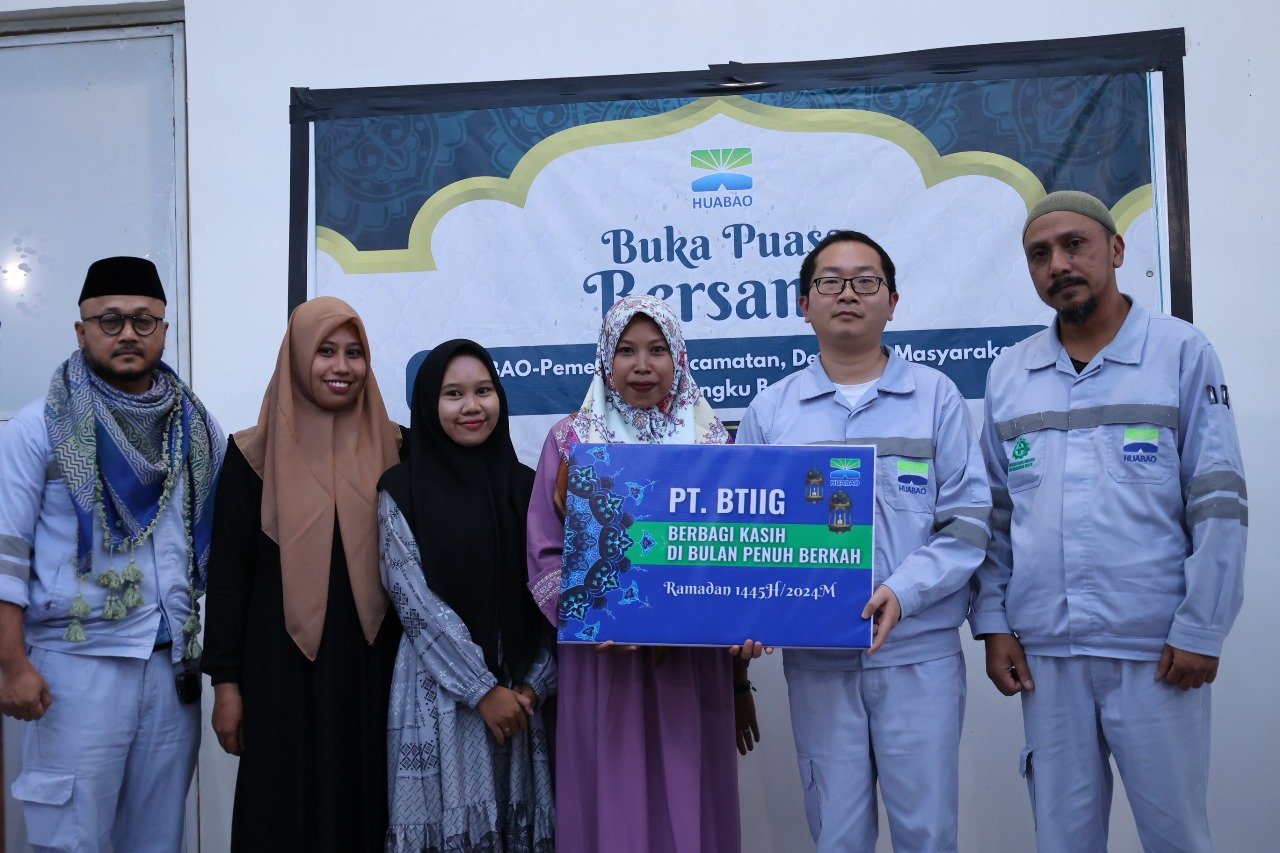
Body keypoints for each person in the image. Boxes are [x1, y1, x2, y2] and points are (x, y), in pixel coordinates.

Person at [971, 191, 1247, 852]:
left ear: (1116, 250)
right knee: (1062, 838)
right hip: (1047, 653)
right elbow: (996, 513)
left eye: (1075, 245)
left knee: (1176, 835)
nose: (1059, 265)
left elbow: (1218, 499)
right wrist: (994, 623)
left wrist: (1203, 625)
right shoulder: (1011, 373)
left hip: (1156, 650)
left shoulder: (1180, 352)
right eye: (1040, 254)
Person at [734, 231, 991, 852]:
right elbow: (746, 537)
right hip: (817, 659)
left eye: (866, 280)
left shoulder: (936, 398)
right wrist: (749, 614)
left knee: (927, 834)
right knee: (837, 835)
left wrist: (902, 591)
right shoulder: (771, 411)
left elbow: (967, 523)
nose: (847, 293)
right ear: (804, 304)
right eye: (829, 281)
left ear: (892, 301)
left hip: (918, 654)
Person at [0, 256, 224, 852]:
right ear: (81, 331)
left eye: (144, 321)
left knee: (157, 839)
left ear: (164, 331)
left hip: (170, 668)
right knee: (70, 837)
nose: (128, 333)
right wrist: (12, 665)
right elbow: (6, 554)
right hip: (75, 667)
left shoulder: (197, 431)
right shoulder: (38, 429)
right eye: (110, 320)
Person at [527, 295, 750, 853]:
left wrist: (744, 621)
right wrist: (593, 618)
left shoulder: (711, 442)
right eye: (626, 351)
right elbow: (545, 554)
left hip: (692, 665)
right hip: (604, 662)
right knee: (613, 799)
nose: (642, 366)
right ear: (606, 359)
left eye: (657, 350)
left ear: (679, 358)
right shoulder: (571, 442)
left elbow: (738, 552)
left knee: (689, 794)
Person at [201, 296, 404, 852]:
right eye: (325, 351)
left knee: (370, 805)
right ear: (295, 357)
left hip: (375, 670)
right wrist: (226, 685)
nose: (342, 366)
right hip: (278, 674)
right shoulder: (251, 455)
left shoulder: (399, 448)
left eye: (354, 353)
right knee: (283, 811)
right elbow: (229, 578)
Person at [378, 339, 555, 851]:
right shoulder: (400, 490)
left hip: (521, 701)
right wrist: (482, 690)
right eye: (453, 394)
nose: (472, 406)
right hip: (439, 696)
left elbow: (552, 592)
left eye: (483, 391)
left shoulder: (528, 487)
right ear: (428, 406)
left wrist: (535, 685)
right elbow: (414, 603)